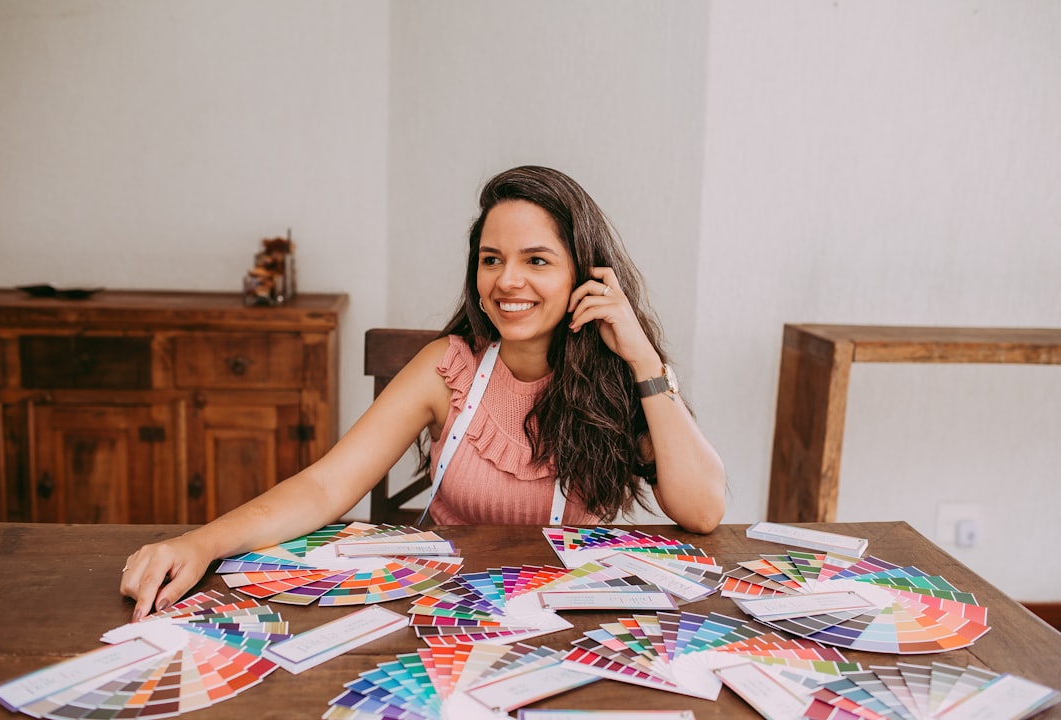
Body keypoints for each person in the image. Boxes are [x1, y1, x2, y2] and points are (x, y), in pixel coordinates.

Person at [121, 165, 726, 620]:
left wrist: (643, 355)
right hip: (441, 611)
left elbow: (703, 511)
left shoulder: (623, 378)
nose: (507, 281)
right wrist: (199, 543)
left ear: (584, 274)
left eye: (537, 260)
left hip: (568, 616)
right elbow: (327, 485)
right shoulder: (447, 367)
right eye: (492, 259)